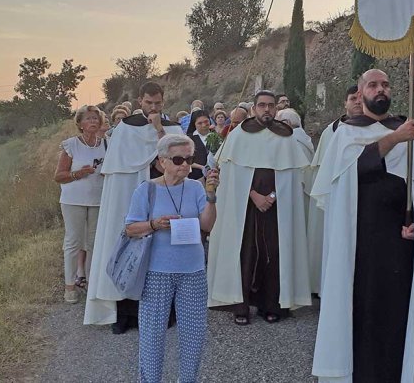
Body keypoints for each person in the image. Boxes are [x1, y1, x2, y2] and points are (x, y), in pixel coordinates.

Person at [311, 69, 414, 382]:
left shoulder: (406, 130)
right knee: (362, 310)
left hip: (399, 242)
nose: (380, 89)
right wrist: (394, 140)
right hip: (359, 243)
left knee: (396, 312)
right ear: (360, 94)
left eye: (385, 84)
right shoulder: (346, 133)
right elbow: (356, 171)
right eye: (373, 85)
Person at [84, 82, 184, 333]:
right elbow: (119, 175)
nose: (153, 107)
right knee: (131, 251)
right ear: (140, 101)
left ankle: (161, 312)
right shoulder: (125, 129)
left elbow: (174, 162)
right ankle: (125, 313)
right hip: (131, 200)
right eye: (149, 102)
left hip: (162, 197)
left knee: (160, 253)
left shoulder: (172, 128)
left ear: (163, 102)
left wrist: (159, 129)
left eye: (158, 103)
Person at [207, 90, 312, 325]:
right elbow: (233, 177)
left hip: (277, 209)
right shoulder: (238, 136)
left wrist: (272, 196)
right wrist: (254, 196)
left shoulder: (287, 138)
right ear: (254, 108)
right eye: (262, 105)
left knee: (274, 255)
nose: (267, 109)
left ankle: (271, 305)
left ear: (276, 109)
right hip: (246, 208)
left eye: (271, 106)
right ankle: (241, 307)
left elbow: (290, 179)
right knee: (245, 254)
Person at [124, 134, 219, 383]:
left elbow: (207, 225)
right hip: (157, 272)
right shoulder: (147, 190)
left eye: (189, 159)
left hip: (193, 271)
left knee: (193, 337)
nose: (185, 165)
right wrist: (155, 224)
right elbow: (130, 228)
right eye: (178, 159)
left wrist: (211, 196)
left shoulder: (196, 187)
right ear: (162, 161)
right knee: (152, 337)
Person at [305, 85, 362, 295]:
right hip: (335, 196)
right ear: (344, 103)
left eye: (360, 98)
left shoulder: (375, 129)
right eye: (352, 98)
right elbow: (322, 168)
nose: (357, 102)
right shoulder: (332, 131)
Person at [54, 105, 107, 304]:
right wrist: (78, 173)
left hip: (98, 200)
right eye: (88, 118)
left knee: (94, 243)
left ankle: (92, 284)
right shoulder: (71, 145)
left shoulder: (106, 144)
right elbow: (59, 176)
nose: (93, 121)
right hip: (73, 200)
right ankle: (70, 287)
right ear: (80, 124)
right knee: (73, 241)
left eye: (96, 118)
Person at [185, 110, 212, 181]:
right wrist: (202, 167)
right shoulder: (189, 139)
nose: (204, 125)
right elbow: (185, 159)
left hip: (215, 176)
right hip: (196, 177)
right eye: (200, 123)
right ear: (194, 124)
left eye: (206, 121)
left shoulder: (216, 135)